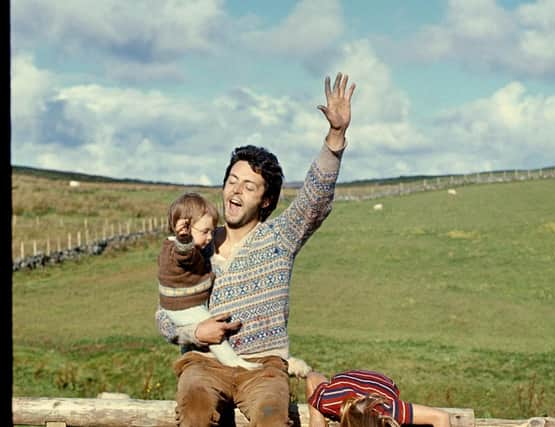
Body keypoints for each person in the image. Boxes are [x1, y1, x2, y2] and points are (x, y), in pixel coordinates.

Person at [155, 72, 356, 427]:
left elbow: (315, 198)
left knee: (271, 416)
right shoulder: (195, 246)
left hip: (264, 368)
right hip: (203, 364)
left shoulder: (279, 238)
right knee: (195, 407)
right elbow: (165, 312)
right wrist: (194, 334)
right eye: (232, 181)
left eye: (249, 186)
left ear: (265, 201)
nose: (235, 191)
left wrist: (335, 137)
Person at [157, 192, 262, 370]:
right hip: (183, 306)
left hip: (184, 302)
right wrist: (185, 238)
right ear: (183, 228)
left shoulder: (181, 247)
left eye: (212, 232)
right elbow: (185, 254)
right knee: (213, 328)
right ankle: (233, 362)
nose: (209, 237)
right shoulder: (178, 249)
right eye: (205, 231)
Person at [305, 370, 452, 427]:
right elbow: (312, 377)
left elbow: (441, 418)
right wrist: (316, 417)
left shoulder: (390, 411)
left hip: (383, 383)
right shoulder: (330, 400)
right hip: (345, 381)